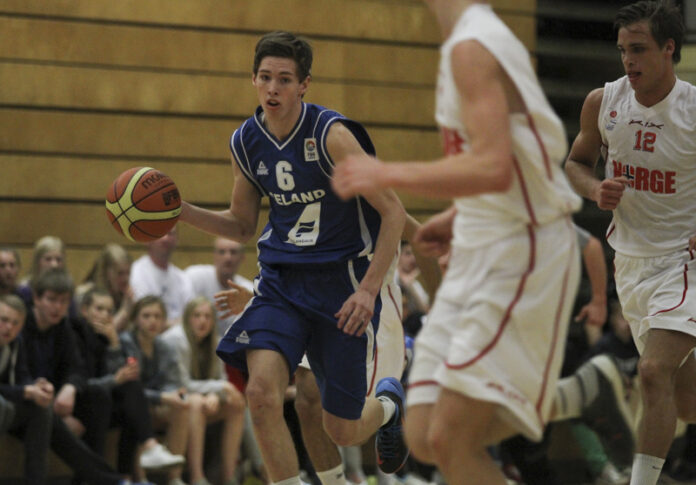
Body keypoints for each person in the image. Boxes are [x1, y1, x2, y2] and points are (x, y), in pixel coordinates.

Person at [331, 1, 582, 483]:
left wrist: (385, 172)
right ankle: (575, 394)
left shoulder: (473, 46)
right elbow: (513, 158)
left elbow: (493, 166)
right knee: (425, 434)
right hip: (478, 242)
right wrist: (456, 215)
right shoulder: (462, 44)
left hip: (521, 248)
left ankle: (569, 395)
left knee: (452, 437)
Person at [178, 31, 408, 484]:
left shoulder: (332, 136)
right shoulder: (245, 141)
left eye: (284, 79)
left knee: (340, 428)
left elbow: (394, 213)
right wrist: (182, 212)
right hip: (282, 282)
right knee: (261, 394)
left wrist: (368, 291)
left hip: (342, 282)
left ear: (304, 85)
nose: (272, 89)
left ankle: (388, 406)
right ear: (253, 79)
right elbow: (242, 226)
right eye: (265, 77)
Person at [563, 1, 696, 484]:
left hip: (684, 261)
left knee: (653, 372)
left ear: (668, 49)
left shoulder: (692, 110)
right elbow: (575, 163)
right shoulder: (604, 102)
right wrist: (593, 189)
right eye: (622, 50)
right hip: (631, 263)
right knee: (686, 403)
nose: (628, 60)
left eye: (638, 49)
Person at [0, 294, 131, 485]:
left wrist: (37, 387)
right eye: (3, 320)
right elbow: (17, 390)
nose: (9, 327)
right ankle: (109, 480)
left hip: (11, 408)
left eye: (15, 323)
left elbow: (22, 377)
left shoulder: (16, 342)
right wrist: (25, 392)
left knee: (43, 408)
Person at [74, 287, 185, 481]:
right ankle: (135, 465)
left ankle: (134, 470)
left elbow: (120, 377)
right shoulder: (75, 334)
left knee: (131, 397)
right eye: (99, 309)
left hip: (104, 401)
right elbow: (82, 384)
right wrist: (116, 378)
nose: (105, 315)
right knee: (112, 399)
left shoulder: (107, 336)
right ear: (84, 310)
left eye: (109, 311)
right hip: (80, 402)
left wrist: (113, 343)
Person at [21, 267, 114, 456]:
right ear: (36, 298)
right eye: (52, 299)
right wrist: (57, 414)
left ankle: (96, 469)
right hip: (27, 401)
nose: (58, 307)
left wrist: (70, 387)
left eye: (64, 301)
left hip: (54, 400)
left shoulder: (63, 326)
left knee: (98, 396)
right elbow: (21, 380)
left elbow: (78, 368)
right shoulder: (21, 325)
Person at [162, 296, 247, 485]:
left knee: (236, 403)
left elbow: (221, 378)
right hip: (168, 399)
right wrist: (218, 389)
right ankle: (197, 477)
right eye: (197, 315)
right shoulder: (177, 339)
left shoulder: (215, 341)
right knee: (196, 403)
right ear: (187, 318)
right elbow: (182, 384)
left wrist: (214, 394)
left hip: (196, 398)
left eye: (208, 316)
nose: (203, 321)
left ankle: (230, 477)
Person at [115, 295, 191, 485]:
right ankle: (141, 478)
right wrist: (162, 397)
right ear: (135, 319)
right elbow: (130, 388)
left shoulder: (165, 345)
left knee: (183, 407)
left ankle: (174, 477)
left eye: (157, 316)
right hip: (125, 402)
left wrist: (172, 395)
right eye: (146, 316)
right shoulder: (126, 342)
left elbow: (173, 382)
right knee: (142, 407)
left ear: (164, 320)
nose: (153, 321)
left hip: (157, 401)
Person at [184, 237, 254, 335]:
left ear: (242, 257)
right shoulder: (194, 277)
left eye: (233, 252)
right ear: (214, 255)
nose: (228, 258)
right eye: (222, 252)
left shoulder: (249, 291)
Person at [130, 228, 194, 327]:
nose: (165, 238)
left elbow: (192, 315)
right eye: (160, 233)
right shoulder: (135, 272)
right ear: (147, 240)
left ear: (177, 240)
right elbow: (144, 319)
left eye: (170, 234)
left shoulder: (182, 278)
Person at [77, 243, 136, 332]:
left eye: (128, 273)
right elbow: (100, 334)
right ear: (106, 272)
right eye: (120, 273)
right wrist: (125, 311)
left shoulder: (124, 295)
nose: (125, 279)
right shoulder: (85, 293)